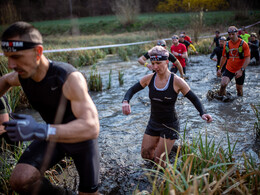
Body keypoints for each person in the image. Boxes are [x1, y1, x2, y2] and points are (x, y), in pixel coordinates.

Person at [0, 21, 100, 195]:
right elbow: (6, 80)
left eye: (16, 57)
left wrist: (40, 129)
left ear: (37, 52)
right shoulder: (23, 75)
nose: (10, 64)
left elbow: (91, 128)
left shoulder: (68, 78)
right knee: (20, 180)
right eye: (7, 57)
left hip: (81, 140)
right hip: (51, 136)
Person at [122, 46, 212, 167]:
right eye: (152, 63)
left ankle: (164, 178)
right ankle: (171, 150)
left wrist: (203, 113)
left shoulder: (177, 81)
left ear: (167, 62)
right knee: (146, 155)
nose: (154, 67)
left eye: (158, 63)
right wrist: (126, 101)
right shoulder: (149, 79)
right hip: (153, 123)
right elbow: (132, 89)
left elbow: (194, 98)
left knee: (160, 162)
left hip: (170, 126)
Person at [217, 26, 250, 97]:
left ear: (237, 33)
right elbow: (224, 57)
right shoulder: (226, 44)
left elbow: (247, 58)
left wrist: (241, 70)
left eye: (233, 34)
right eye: (229, 34)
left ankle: (239, 106)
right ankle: (220, 100)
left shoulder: (244, 44)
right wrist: (219, 68)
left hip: (240, 69)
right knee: (223, 84)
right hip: (229, 69)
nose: (231, 36)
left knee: (239, 91)